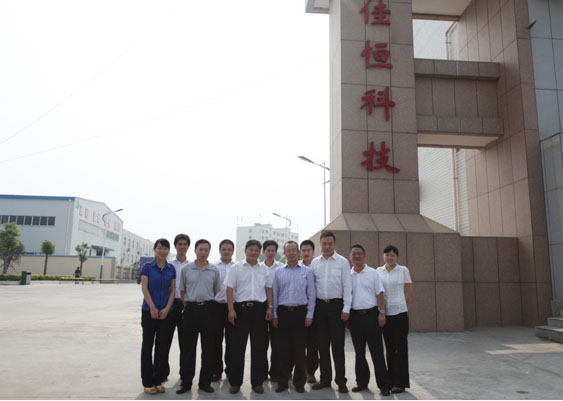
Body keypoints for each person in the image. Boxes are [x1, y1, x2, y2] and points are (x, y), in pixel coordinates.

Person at [225, 240, 273, 394]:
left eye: (256, 250)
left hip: (260, 310)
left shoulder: (264, 269)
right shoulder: (236, 268)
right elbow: (229, 289)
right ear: (245, 250)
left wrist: (270, 307)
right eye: (251, 249)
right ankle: (235, 382)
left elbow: (268, 289)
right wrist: (231, 309)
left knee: (259, 348)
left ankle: (257, 382)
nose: (253, 252)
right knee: (237, 347)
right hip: (240, 310)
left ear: (260, 252)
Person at [176, 239, 221, 394]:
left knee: (208, 348)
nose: (203, 253)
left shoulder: (214, 270)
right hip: (191, 310)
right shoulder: (186, 269)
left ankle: (205, 382)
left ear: (209, 251)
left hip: (209, 309)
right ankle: (186, 382)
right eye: (200, 249)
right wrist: (189, 305)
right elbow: (182, 291)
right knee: (188, 348)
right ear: (195, 250)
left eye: (206, 250)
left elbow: (215, 290)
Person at [271, 241, 316, 393]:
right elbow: (275, 294)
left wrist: (309, 314)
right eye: (288, 250)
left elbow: (311, 294)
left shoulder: (307, 272)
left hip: (300, 313)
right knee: (282, 349)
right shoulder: (278, 272)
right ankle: (282, 381)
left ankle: (299, 382)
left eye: (293, 250)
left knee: (299, 349)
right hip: (283, 313)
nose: (291, 253)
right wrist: (274, 314)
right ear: (284, 253)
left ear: (298, 252)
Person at [310, 231, 352, 393]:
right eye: (324, 244)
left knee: (338, 346)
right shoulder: (315, 263)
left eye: (330, 244)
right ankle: (325, 379)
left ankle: (341, 381)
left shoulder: (342, 262)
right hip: (320, 307)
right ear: (320, 244)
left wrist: (346, 308)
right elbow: (312, 287)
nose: (327, 247)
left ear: (334, 244)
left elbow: (347, 286)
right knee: (322, 345)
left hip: (337, 307)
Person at [348, 244, 391, 396]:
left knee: (377, 352)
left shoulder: (373, 273)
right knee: (359, 353)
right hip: (355, 317)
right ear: (350, 257)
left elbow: (380, 293)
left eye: (359, 253)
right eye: (354, 254)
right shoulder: (348, 275)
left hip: (371, 316)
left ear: (364, 256)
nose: (357, 256)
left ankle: (384, 385)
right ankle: (362, 382)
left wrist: (382, 313)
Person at [140, 238, 176, 395]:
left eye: (165, 248)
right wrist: (152, 308)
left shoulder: (171, 268)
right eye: (160, 248)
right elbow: (144, 287)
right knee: (148, 346)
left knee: (162, 347)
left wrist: (167, 308)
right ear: (155, 249)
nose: (162, 251)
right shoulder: (147, 267)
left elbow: (173, 290)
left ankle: (158, 380)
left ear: (168, 251)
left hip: (165, 313)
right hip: (149, 312)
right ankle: (147, 382)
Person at [376, 245, 413, 394]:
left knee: (401, 349)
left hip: (400, 314)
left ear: (397, 257)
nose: (390, 257)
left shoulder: (403, 270)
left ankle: (401, 383)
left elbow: (409, 291)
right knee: (390, 349)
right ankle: (390, 380)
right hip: (385, 314)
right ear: (383, 256)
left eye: (393, 255)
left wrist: (405, 307)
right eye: (387, 255)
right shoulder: (378, 271)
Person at [167, 233, 191, 384]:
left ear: (188, 247)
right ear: (175, 246)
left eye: (185, 244)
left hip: (186, 305)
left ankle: (184, 374)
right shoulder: (169, 264)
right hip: (170, 305)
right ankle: (162, 372)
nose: (182, 247)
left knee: (186, 343)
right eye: (179, 244)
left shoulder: (192, 265)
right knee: (164, 340)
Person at [211, 239, 235, 381]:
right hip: (216, 307)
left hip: (232, 307)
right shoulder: (213, 267)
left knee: (231, 341)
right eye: (224, 249)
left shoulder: (237, 267)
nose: (226, 252)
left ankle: (230, 370)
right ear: (220, 250)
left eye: (229, 249)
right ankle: (216, 370)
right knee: (216, 340)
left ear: (233, 251)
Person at [262, 240, 284, 382]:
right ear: (263, 252)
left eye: (273, 250)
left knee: (277, 343)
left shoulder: (281, 267)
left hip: (277, 307)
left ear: (276, 252)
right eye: (268, 250)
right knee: (262, 342)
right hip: (261, 307)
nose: (270, 253)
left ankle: (276, 372)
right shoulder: (258, 267)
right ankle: (262, 372)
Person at [300, 239, 319, 384]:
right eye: (303, 250)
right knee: (298, 342)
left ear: (313, 252)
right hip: (299, 309)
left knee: (313, 343)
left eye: (308, 250)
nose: (306, 253)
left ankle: (311, 372)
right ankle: (299, 371)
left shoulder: (318, 266)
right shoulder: (296, 266)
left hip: (317, 309)